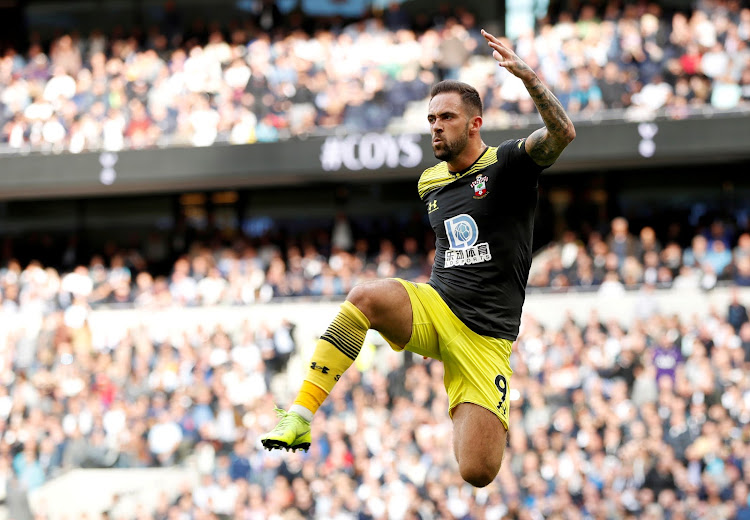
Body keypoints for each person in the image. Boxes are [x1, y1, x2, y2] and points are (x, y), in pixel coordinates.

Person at [261, 29, 576, 488]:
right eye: (431, 118)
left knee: (478, 471)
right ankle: (299, 414)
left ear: (475, 123)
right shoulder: (430, 182)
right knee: (364, 296)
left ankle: (471, 399)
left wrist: (528, 77)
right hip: (438, 304)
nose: (435, 126)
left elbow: (561, 133)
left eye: (446, 117)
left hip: (486, 338)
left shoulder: (508, 166)